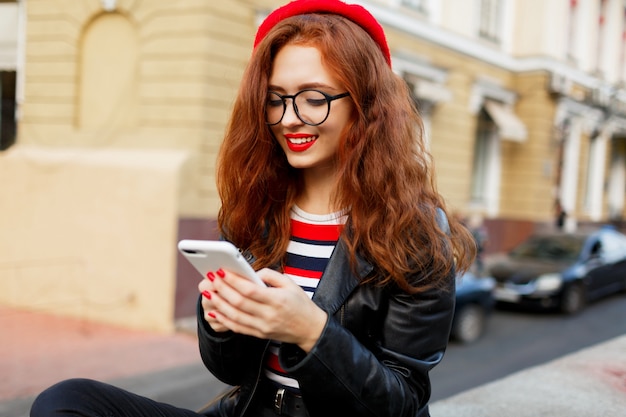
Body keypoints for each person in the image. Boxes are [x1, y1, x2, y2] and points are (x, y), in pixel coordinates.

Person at [30, 1, 476, 416]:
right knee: (66, 401)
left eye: (314, 98)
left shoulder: (416, 233)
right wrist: (221, 322)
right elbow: (230, 371)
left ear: (365, 105)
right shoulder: (257, 210)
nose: (288, 118)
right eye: (276, 98)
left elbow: (400, 401)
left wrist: (310, 331)